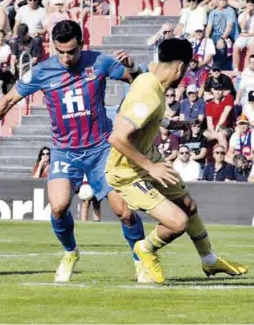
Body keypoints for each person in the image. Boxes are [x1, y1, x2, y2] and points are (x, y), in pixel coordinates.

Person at [0, 20, 146, 283]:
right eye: (60, 51)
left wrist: (133, 67)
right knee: (58, 206)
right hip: (64, 150)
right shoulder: (42, 71)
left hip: (101, 149)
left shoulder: (99, 62)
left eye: (72, 52)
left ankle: (141, 260)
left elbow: (138, 82)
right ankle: (70, 252)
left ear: (81, 45)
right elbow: (9, 99)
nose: (66, 58)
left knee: (124, 211)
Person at [106, 38, 248, 284]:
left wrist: (172, 124)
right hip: (127, 171)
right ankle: (146, 249)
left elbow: (145, 103)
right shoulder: (148, 94)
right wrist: (150, 167)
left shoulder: (148, 80)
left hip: (148, 159)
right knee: (177, 222)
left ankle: (209, 259)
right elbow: (117, 138)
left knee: (188, 205)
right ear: (181, 67)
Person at [204, 82, 234, 148]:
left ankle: (224, 155)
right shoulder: (209, 104)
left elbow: (225, 113)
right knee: (204, 135)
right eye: (215, 89)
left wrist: (218, 126)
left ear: (223, 90)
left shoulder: (229, 98)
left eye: (220, 90)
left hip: (227, 127)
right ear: (212, 90)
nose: (217, 92)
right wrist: (214, 132)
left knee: (220, 134)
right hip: (214, 129)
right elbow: (209, 122)